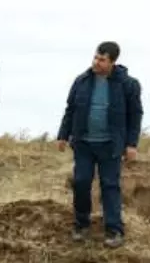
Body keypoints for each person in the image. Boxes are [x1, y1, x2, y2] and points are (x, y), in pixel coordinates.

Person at [57, 41, 144, 248]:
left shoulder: (128, 84)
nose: (96, 62)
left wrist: (132, 144)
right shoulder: (82, 81)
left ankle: (114, 230)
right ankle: (81, 225)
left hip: (110, 145)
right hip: (84, 143)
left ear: (113, 62)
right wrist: (63, 135)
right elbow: (70, 109)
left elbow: (135, 115)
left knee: (110, 186)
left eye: (102, 59)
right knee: (81, 182)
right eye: (96, 57)